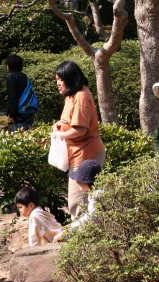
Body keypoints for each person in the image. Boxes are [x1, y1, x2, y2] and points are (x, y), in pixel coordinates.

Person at [53, 61, 105, 219]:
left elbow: (80, 129)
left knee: (78, 203)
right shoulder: (72, 94)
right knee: (82, 203)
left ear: (70, 78)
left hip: (85, 154)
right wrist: (60, 126)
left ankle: (82, 240)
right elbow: (71, 121)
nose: (58, 84)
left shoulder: (81, 96)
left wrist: (59, 135)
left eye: (60, 80)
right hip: (78, 153)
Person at [54, 159, 102, 242]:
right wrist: (70, 227)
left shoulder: (97, 195)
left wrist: (68, 232)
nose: (79, 188)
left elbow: (91, 221)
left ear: (87, 181)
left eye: (80, 183)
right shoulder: (96, 192)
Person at [6, 55, 35, 131]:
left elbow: (13, 97)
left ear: (10, 65)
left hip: (20, 114)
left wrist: (12, 115)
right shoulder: (24, 76)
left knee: (19, 139)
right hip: (29, 111)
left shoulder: (11, 78)